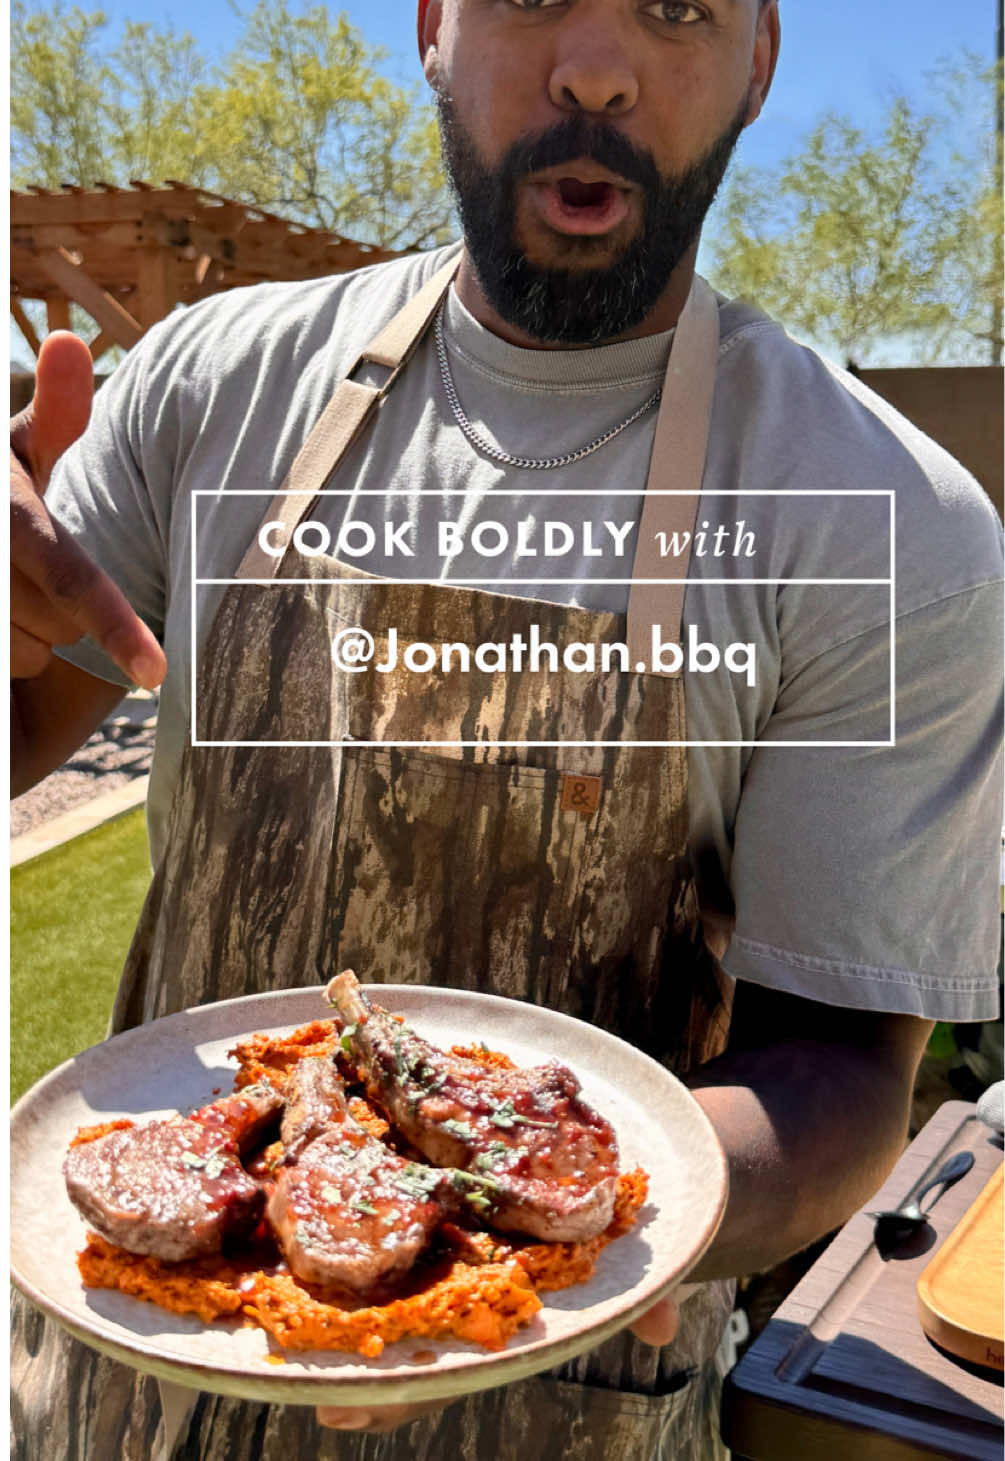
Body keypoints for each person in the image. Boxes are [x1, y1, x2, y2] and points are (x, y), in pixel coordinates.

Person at [10, 1, 1003, 1457]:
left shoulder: (888, 524)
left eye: (674, 9)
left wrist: (600, 1229)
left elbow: (842, 1065)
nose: (593, 66)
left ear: (761, 59)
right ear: (430, 24)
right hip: (134, 1359)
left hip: (562, 1396)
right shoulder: (210, 386)